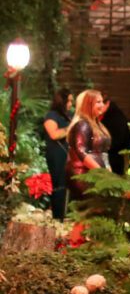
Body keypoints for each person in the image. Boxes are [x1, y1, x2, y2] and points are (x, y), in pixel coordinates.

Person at [66, 89, 111, 201]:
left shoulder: (98, 125)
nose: (102, 105)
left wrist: (108, 173)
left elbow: (103, 152)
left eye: (102, 101)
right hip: (84, 175)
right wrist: (101, 172)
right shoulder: (83, 125)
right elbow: (81, 151)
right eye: (98, 102)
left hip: (97, 174)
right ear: (88, 104)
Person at [42, 88, 73, 220]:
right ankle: (58, 215)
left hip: (69, 153)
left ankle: (67, 213)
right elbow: (54, 134)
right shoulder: (51, 116)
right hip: (57, 153)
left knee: (68, 183)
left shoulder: (68, 115)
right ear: (63, 101)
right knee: (59, 183)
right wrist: (71, 128)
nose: (71, 104)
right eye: (69, 101)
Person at [101, 96, 130, 175]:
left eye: (100, 103)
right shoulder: (109, 114)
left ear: (107, 103)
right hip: (113, 155)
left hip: (116, 156)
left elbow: (117, 140)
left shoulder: (115, 117)